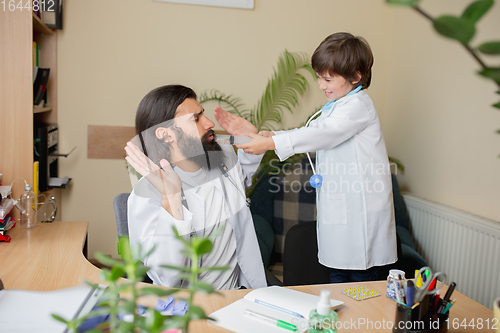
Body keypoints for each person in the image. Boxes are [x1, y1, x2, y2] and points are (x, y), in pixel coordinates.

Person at [216, 32, 397, 283]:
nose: (321, 85)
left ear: (356, 76)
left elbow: (323, 135)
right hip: (342, 218)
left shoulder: (358, 106)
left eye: (328, 79)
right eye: (319, 78)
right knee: (338, 281)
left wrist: (270, 143)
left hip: (361, 219)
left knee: (360, 288)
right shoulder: (338, 105)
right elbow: (310, 132)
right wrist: (267, 135)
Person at [124, 84, 267, 290]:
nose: (209, 123)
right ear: (165, 135)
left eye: (203, 115)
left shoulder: (223, 156)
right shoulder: (147, 193)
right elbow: (166, 277)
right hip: (189, 307)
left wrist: (251, 139)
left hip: (238, 294)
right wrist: (171, 199)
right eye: (196, 119)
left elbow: (238, 185)